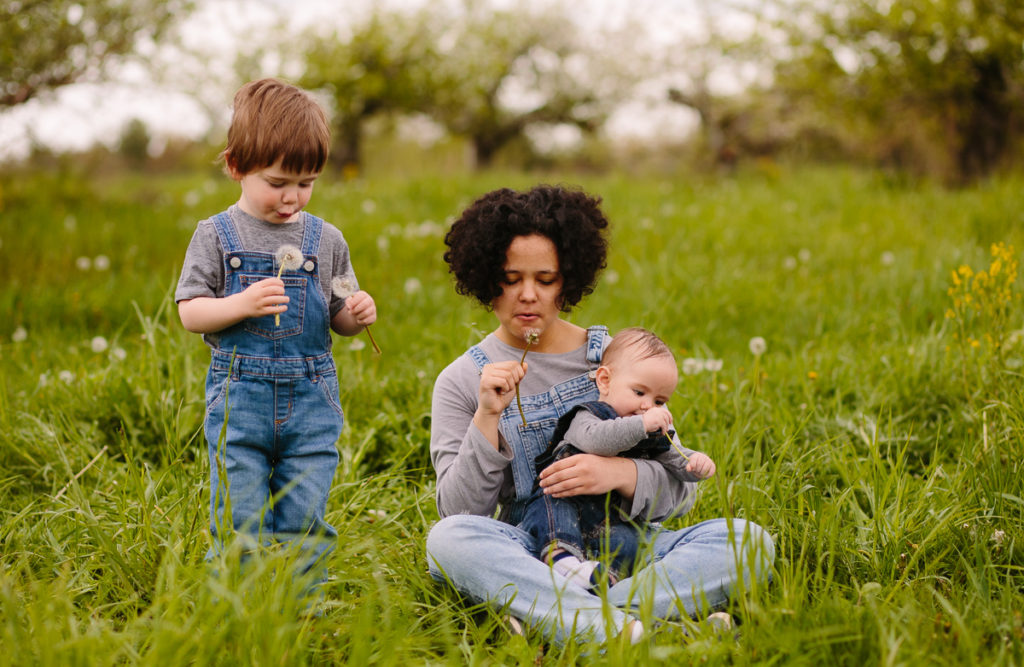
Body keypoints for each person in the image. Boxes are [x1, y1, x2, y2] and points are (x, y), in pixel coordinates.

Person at [426, 184, 774, 645]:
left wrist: (618, 473)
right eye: (511, 279)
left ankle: (569, 618)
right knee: (448, 541)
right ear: (487, 277)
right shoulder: (461, 379)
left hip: (631, 541)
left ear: (567, 279)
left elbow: (681, 488)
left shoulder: (609, 360)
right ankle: (649, 622)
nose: (528, 295)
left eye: (545, 280)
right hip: (537, 551)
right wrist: (487, 417)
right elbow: (460, 511)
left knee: (749, 542)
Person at [175, 78, 377, 588]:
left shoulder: (325, 239)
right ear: (236, 165)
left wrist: (357, 313)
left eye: (306, 183)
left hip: (311, 395)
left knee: (306, 510)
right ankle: (237, 604)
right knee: (237, 509)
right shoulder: (215, 236)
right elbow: (190, 312)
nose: (292, 197)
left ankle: (302, 606)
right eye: (278, 181)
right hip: (240, 395)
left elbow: (338, 317)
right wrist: (239, 304)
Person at [520, 327, 717, 593]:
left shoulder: (651, 427)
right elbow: (598, 440)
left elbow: (674, 457)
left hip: (613, 520)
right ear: (604, 380)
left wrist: (695, 463)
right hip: (564, 499)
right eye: (639, 393)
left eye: (660, 400)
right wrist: (641, 425)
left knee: (629, 541)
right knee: (552, 510)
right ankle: (561, 559)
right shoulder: (589, 416)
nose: (649, 406)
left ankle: (604, 585)